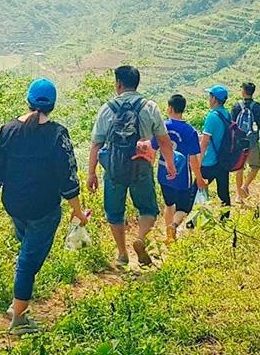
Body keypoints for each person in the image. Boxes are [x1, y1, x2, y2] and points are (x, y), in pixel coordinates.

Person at [0, 78, 89, 335]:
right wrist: (77, 211)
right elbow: (68, 177)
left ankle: (19, 297)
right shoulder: (57, 134)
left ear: (28, 101)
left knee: (28, 250)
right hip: (44, 208)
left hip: (14, 205)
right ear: (53, 105)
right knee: (28, 260)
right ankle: (19, 317)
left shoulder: (8, 130)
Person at [86, 65, 176, 268]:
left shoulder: (107, 109)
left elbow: (96, 144)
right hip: (141, 165)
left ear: (118, 83)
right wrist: (170, 165)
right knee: (148, 209)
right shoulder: (149, 107)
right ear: (137, 83)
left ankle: (122, 254)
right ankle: (140, 238)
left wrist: (91, 173)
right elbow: (164, 141)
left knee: (114, 212)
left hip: (114, 167)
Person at [154, 93, 203, 242]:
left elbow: (152, 149)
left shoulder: (162, 127)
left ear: (169, 108)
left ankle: (169, 235)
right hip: (182, 176)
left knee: (169, 204)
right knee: (183, 208)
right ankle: (174, 225)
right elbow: (193, 159)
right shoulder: (190, 131)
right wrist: (199, 178)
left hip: (163, 173)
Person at [232, 82, 260, 200]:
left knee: (239, 168)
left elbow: (231, 125)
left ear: (243, 91)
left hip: (239, 142)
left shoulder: (236, 106)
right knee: (255, 166)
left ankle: (239, 195)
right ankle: (245, 186)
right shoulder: (258, 107)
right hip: (252, 141)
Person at [198, 84, 234, 209]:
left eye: (210, 96)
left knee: (196, 189)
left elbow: (205, 142)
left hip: (210, 161)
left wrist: (199, 162)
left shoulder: (212, 116)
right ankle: (225, 218)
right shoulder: (227, 114)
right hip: (223, 159)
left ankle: (195, 218)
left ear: (214, 98)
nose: (209, 99)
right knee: (223, 193)